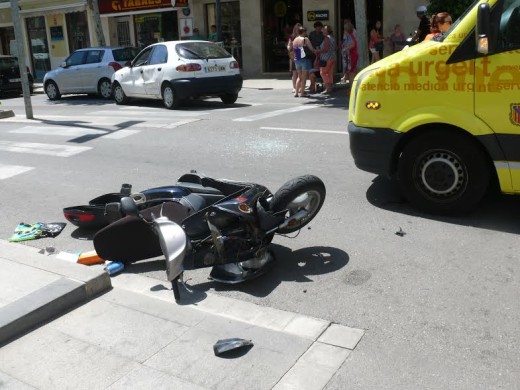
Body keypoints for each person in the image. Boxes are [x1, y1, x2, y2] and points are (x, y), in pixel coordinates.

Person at [291, 26, 315, 97]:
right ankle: (302, 93)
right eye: (305, 32)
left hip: (297, 60)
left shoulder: (295, 39)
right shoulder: (305, 39)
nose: (306, 33)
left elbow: (294, 50)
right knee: (304, 77)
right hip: (305, 59)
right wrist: (316, 51)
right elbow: (311, 49)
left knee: (299, 76)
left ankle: (296, 92)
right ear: (303, 32)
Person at [315, 25, 336, 94]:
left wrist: (318, 51)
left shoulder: (327, 38)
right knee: (329, 73)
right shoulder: (332, 37)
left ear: (327, 31)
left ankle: (328, 88)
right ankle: (331, 87)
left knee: (323, 72)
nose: (322, 30)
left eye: (324, 29)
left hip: (326, 58)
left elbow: (326, 49)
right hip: (332, 57)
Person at [308, 21, 324, 93]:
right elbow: (309, 43)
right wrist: (313, 50)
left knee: (320, 67)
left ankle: (321, 83)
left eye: (320, 27)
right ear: (315, 28)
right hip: (313, 53)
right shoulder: (311, 34)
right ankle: (312, 85)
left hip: (321, 53)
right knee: (313, 67)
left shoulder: (322, 35)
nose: (319, 29)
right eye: (317, 27)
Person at [343, 21, 358, 95]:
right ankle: (352, 89)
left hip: (351, 56)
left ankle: (352, 90)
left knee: (351, 73)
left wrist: (346, 48)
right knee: (351, 73)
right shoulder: (350, 36)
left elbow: (353, 45)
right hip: (351, 56)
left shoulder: (350, 36)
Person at [287, 23, 302, 94]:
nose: (298, 30)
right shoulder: (292, 37)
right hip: (294, 56)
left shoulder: (303, 36)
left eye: (299, 29)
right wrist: (290, 46)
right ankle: (294, 87)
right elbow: (288, 47)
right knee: (294, 73)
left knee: (301, 73)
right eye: (296, 29)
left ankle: (300, 87)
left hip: (301, 56)